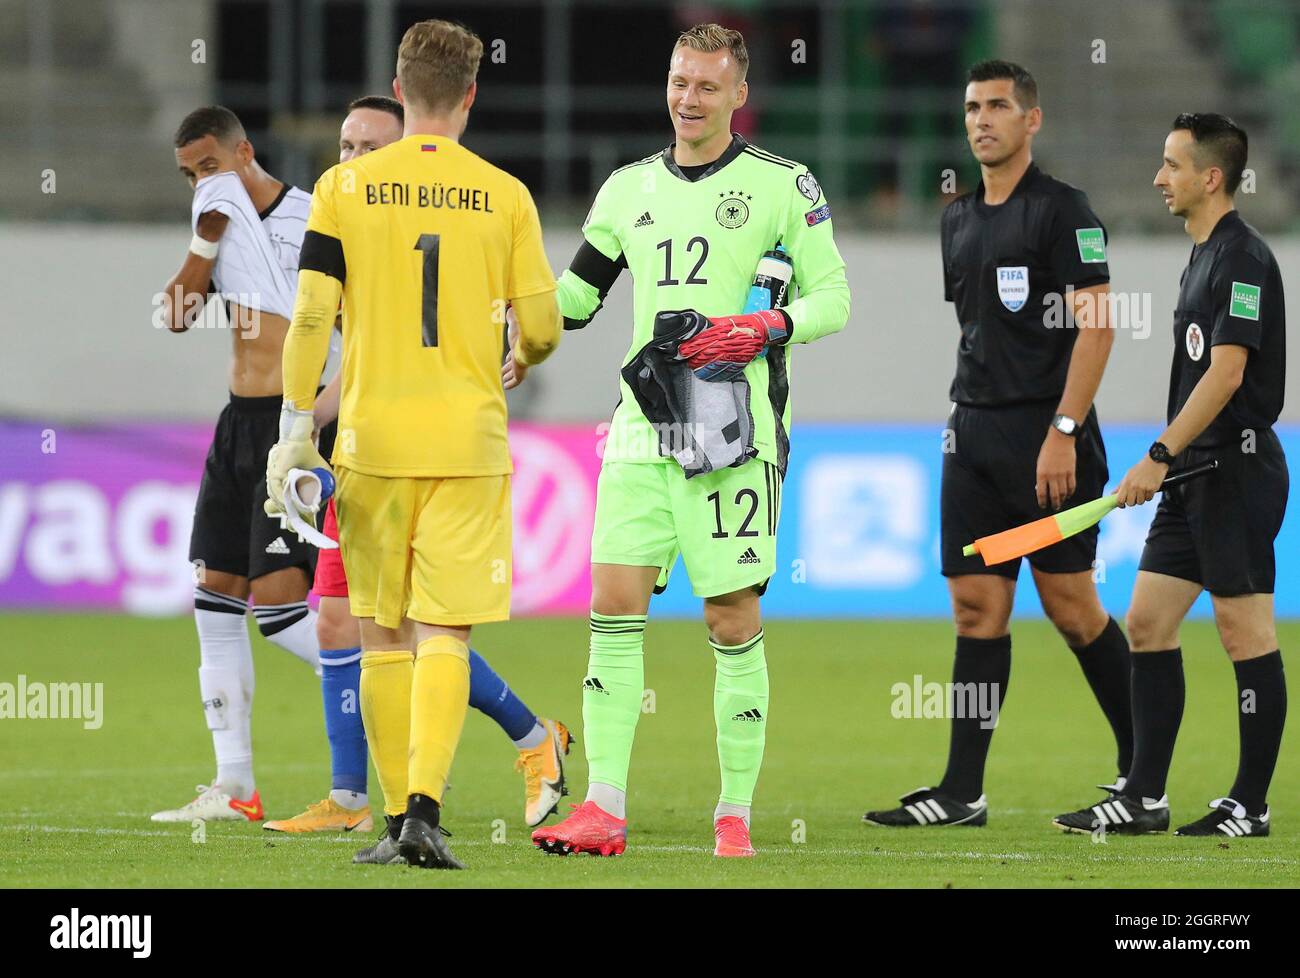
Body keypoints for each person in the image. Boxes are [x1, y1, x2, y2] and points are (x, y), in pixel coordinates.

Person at [532, 23, 849, 859]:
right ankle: (602, 807)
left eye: (708, 86)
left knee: (729, 616)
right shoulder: (626, 188)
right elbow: (574, 296)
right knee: (612, 608)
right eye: (678, 82)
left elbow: (835, 300)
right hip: (643, 428)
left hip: (733, 437)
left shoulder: (785, 185)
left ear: (739, 95)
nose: (688, 99)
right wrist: (507, 313)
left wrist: (764, 324)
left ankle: (733, 814)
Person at [266, 19, 561, 868]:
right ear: (471, 93)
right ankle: (427, 810)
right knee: (446, 633)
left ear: (399, 91)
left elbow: (314, 314)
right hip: (467, 443)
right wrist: (521, 349)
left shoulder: (343, 187)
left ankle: (396, 820)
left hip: (369, 441)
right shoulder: (505, 194)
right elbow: (541, 327)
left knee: (382, 634)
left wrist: (295, 431)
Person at [865, 60, 1133, 828]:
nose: (981, 120)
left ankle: (1140, 775)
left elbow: (1099, 325)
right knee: (975, 609)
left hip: (1048, 433)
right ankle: (961, 792)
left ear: (1031, 119)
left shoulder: (1064, 212)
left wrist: (1064, 431)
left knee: (1073, 606)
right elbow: (980, 330)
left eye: (998, 107)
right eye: (972, 108)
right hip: (972, 431)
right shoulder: (958, 217)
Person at [1056, 114, 1287, 838]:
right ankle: (1145, 797)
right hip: (1194, 474)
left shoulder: (1243, 258)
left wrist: (1157, 455)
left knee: (1243, 632)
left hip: (1236, 469)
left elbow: (1227, 373)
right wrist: (1172, 462)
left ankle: (1250, 805)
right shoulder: (1202, 256)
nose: (1160, 179)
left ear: (1209, 177)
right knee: (1148, 623)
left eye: (1171, 165)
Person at [153, 106, 330, 824]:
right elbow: (172, 314)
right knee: (215, 599)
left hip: (293, 427)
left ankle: (408, 680)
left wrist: (317, 419)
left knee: (284, 615)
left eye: (209, 167)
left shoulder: (313, 218)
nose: (201, 181)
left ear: (244, 151)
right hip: (236, 426)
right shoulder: (214, 227)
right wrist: (204, 238)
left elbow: (358, 329)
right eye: (189, 174)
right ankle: (236, 789)